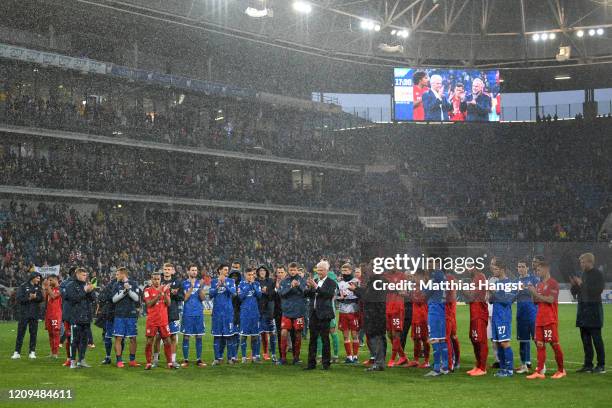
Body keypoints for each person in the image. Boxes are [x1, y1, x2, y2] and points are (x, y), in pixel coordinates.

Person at [526, 261, 566, 379]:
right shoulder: (538, 284)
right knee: (539, 344)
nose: (537, 272)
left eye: (539, 270)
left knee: (554, 344)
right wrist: (532, 292)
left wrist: (535, 293)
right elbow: (535, 302)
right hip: (540, 319)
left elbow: (550, 300)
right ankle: (539, 371)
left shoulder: (553, 283)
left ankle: (561, 370)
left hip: (550, 319)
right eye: (536, 270)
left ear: (546, 269)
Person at [570, 252, 605, 373]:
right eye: (580, 262)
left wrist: (581, 284)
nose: (581, 264)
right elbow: (576, 292)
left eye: (583, 262)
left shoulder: (598, 274)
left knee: (597, 339)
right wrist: (574, 285)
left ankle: (601, 365)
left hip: (593, 310)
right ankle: (588, 365)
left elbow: (597, 291)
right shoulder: (583, 274)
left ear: (590, 262)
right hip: (583, 311)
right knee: (585, 340)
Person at [352, 264, 387, 372]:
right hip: (378, 313)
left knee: (376, 338)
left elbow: (368, 297)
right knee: (380, 337)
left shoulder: (377, 281)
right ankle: (380, 362)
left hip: (374, 314)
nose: (367, 271)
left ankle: (378, 363)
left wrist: (356, 289)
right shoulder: (380, 280)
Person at [303, 260, 337, 371]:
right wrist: (307, 287)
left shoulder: (331, 282)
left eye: (321, 270)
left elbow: (328, 295)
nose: (319, 272)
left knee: (325, 339)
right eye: (318, 270)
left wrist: (316, 286)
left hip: (324, 315)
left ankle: (326, 364)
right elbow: (307, 295)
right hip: (313, 314)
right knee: (312, 339)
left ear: (327, 270)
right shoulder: (315, 280)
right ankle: (311, 364)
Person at [489, 259, 517, 377]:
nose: (493, 271)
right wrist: (490, 292)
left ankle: (509, 370)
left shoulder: (508, 283)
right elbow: (491, 301)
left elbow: (507, 301)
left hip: (503, 317)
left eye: (495, 269)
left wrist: (495, 292)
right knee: (498, 343)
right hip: (496, 316)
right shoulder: (496, 283)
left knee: (505, 343)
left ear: (502, 269)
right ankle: (502, 369)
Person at [64, 267, 96, 368]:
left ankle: (81, 360)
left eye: (86, 275)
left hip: (86, 316)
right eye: (83, 275)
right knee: (74, 340)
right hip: (75, 317)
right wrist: (84, 291)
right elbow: (73, 299)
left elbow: (93, 299)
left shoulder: (86, 285)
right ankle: (73, 361)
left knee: (84, 340)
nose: (85, 277)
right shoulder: (70, 286)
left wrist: (90, 291)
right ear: (77, 274)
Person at [112, 267, 142, 368]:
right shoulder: (116, 285)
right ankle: (119, 361)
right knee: (119, 338)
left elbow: (137, 298)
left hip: (131, 315)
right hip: (119, 314)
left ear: (123, 274)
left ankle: (132, 360)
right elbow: (114, 300)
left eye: (117, 274)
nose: (116, 276)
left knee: (133, 338)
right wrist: (124, 292)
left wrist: (128, 290)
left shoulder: (134, 283)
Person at [143, 271, 174, 370]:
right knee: (149, 342)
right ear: (151, 280)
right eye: (154, 279)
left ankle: (169, 362)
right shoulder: (147, 290)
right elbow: (149, 304)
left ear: (160, 279)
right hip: (152, 320)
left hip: (163, 320)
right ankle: (148, 362)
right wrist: (158, 295)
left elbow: (168, 303)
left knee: (167, 341)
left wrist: (164, 293)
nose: (156, 281)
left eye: (158, 279)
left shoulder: (165, 289)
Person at [278, 261, 307, 365]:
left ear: (297, 270)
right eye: (291, 270)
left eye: (294, 270)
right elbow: (281, 294)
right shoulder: (284, 281)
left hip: (299, 312)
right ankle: (283, 358)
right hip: (287, 312)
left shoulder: (302, 281)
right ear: (288, 270)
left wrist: (298, 286)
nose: (293, 272)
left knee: (298, 334)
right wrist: (291, 287)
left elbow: (305, 293)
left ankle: (296, 358)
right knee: (284, 333)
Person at [155, 263, 183, 368]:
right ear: (163, 270)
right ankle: (155, 360)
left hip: (173, 313)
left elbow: (182, 297)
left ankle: (173, 360)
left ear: (172, 271)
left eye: (169, 269)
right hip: (160, 313)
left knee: (173, 337)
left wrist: (175, 293)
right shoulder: (158, 280)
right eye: (165, 269)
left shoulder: (178, 282)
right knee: (158, 337)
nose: (166, 271)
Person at [462, 266, 489, 376]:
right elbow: (469, 299)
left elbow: (472, 296)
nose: (467, 269)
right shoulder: (475, 278)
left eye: (469, 267)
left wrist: (462, 288)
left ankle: (482, 368)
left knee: (480, 340)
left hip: (479, 314)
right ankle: (478, 365)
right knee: (474, 339)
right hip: (474, 313)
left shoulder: (480, 277)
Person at [424, 262, 449, 377]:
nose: (427, 265)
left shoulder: (435, 276)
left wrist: (423, 284)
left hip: (434, 309)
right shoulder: (443, 276)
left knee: (434, 339)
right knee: (442, 339)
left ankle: (436, 368)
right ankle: (445, 367)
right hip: (441, 309)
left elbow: (426, 293)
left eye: (430, 262)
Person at [12, 271, 44, 360]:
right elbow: (19, 299)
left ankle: (32, 352)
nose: (39, 279)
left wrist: (36, 297)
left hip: (34, 314)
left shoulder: (39, 288)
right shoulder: (22, 286)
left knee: (33, 334)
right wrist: (29, 298)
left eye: (39, 278)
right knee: (20, 333)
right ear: (32, 277)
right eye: (37, 278)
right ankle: (17, 352)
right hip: (24, 314)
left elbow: (41, 298)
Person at [180, 264, 207, 367]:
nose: (194, 272)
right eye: (192, 270)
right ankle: (185, 360)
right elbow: (185, 298)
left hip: (198, 314)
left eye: (196, 270)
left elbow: (203, 298)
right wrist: (191, 287)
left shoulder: (200, 283)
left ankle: (199, 360)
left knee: (199, 336)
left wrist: (199, 287)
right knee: (186, 336)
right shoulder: (183, 284)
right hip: (187, 313)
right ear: (188, 272)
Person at [210, 264, 237, 364]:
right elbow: (211, 295)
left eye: (227, 270)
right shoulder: (213, 281)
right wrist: (217, 287)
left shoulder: (231, 281)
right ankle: (217, 358)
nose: (227, 271)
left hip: (228, 313)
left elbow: (234, 293)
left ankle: (229, 358)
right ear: (220, 270)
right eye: (225, 270)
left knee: (229, 336)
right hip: (217, 313)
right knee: (217, 336)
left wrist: (225, 285)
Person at [516, 260, 539, 373]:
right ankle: (524, 364)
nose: (520, 268)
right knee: (523, 340)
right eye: (519, 266)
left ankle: (541, 364)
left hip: (532, 314)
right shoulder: (516, 281)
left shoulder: (534, 279)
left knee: (536, 339)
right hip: (521, 314)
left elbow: (538, 295)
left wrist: (530, 290)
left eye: (522, 266)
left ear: (527, 268)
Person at [337, 263, 361, 363]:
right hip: (343, 311)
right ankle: (349, 356)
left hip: (354, 311)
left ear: (351, 271)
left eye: (346, 271)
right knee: (345, 335)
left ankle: (355, 356)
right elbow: (337, 296)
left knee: (355, 334)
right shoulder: (340, 283)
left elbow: (360, 295)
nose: (345, 272)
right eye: (343, 271)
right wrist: (340, 298)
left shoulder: (356, 281)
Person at [238, 267, 262, 363]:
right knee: (243, 336)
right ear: (245, 275)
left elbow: (259, 296)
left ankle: (255, 356)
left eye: (252, 275)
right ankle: (244, 357)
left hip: (255, 313)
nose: (251, 276)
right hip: (245, 313)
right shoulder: (241, 284)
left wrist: (253, 285)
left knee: (255, 336)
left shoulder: (257, 284)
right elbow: (241, 297)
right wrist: (248, 285)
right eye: (249, 275)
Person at [407, 269, 430, 368]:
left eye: (416, 276)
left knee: (425, 339)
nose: (414, 278)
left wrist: (410, 296)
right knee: (416, 339)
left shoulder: (425, 287)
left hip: (423, 317)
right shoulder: (415, 286)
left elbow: (421, 300)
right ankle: (416, 360)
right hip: (415, 317)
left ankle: (426, 361)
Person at [386, 268, 408, 367]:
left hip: (397, 308)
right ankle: (403, 356)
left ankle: (393, 359)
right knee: (390, 335)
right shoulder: (385, 276)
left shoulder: (402, 276)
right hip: (387, 308)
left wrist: (398, 290)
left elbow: (405, 292)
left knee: (396, 334)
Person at [256, 265, 277, 362]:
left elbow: (273, 295)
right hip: (259, 310)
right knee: (261, 333)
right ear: (258, 272)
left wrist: (266, 291)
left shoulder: (271, 281)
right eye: (260, 270)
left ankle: (273, 353)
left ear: (266, 272)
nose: (262, 272)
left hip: (269, 310)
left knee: (272, 333)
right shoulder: (255, 281)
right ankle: (262, 353)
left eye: (263, 270)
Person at [59, 267, 75, 366]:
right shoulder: (64, 284)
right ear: (73, 273)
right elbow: (65, 296)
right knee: (69, 337)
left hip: (79, 314)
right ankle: (69, 358)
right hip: (69, 313)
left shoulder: (82, 283)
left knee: (79, 337)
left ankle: (80, 359)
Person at [44, 275, 62, 359]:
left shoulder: (60, 288)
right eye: (48, 280)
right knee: (50, 333)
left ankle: (55, 353)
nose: (49, 282)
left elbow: (54, 296)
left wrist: (47, 287)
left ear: (56, 280)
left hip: (56, 314)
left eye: (51, 280)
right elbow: (44, 298)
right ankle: (52, 352)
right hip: (49, 314)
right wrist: (45, 288)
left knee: (56, 333)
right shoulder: (50, 288)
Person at [445, 271, 460, 371]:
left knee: (450, 337)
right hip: (445, 312)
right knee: (446, 337)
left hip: (449, 312)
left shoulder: (449, 278)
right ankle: (448, 360)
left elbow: (452, 297)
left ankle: (454, 361)